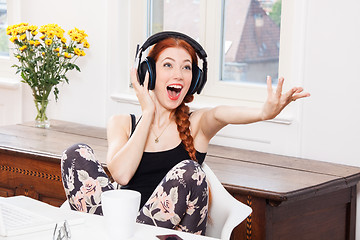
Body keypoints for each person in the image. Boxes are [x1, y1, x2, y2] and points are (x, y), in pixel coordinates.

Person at [61, 31, 310, 236]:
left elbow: (224, 112)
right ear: (148, 72)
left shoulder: (198, 123)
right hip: (120, 229)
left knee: (191, 173)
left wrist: (265, 112)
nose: (178, 74)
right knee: (75, 154)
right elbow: (122, 174)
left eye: (187, 68)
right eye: (168, 65)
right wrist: (148, 114)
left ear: (195, 79)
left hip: (171, 235)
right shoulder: (122, 123)